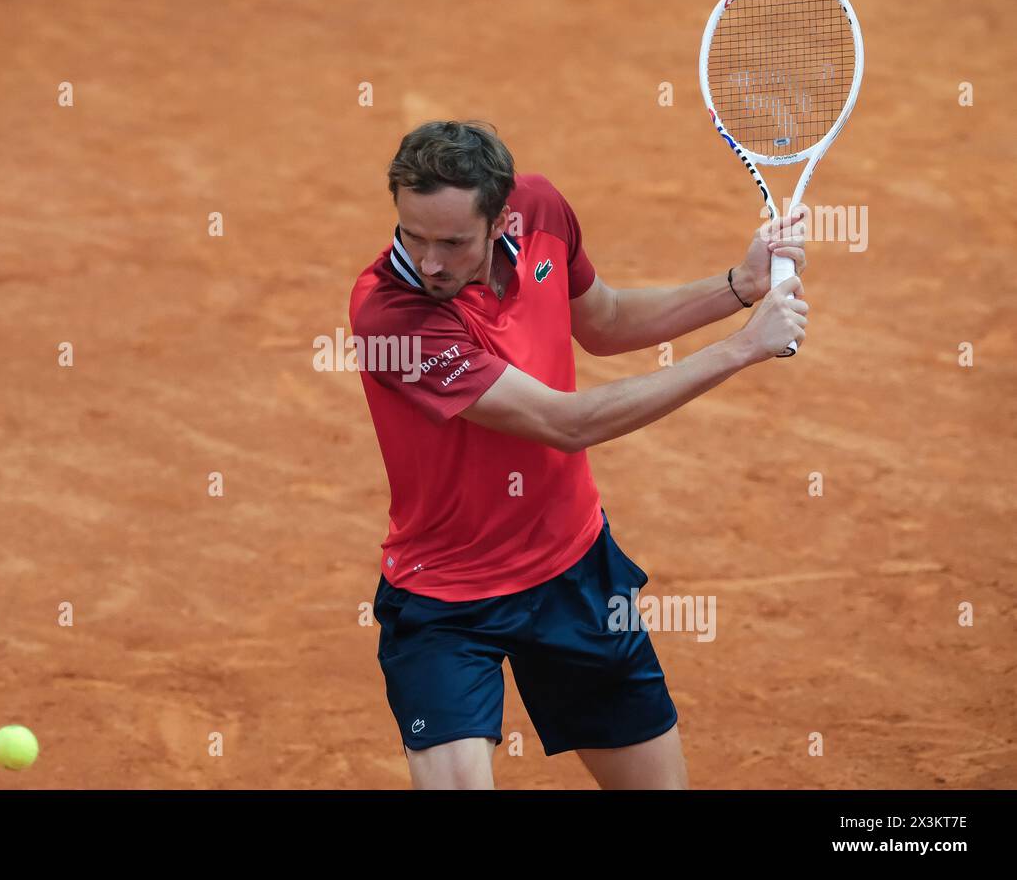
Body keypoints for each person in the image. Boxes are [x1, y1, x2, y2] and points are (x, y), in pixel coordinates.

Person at [347, 120, 809, 789]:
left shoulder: (542, 211)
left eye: (452, 242)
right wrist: (741, 345)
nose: (430, 263)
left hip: (571, 572)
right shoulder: (391, 315)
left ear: (502, 217)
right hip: (447, 599)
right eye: (412, 236)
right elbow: (565, 423)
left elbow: (608, 322)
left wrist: (739, 283)